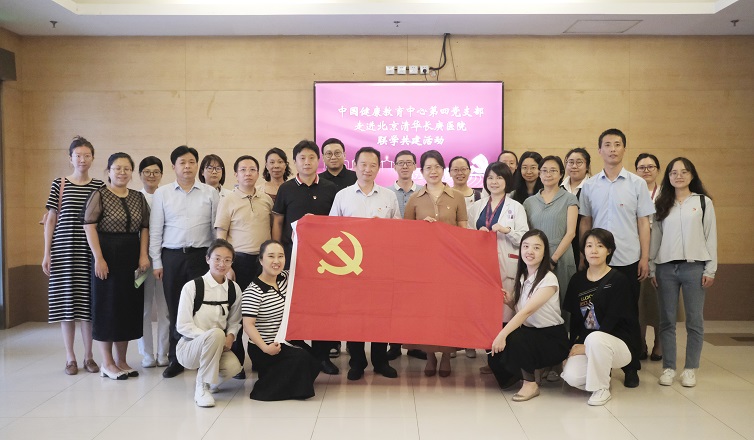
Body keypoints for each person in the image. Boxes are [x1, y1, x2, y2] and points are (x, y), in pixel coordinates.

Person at [579, 128, 655, 388]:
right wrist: (583, 256)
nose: (612, 149)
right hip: (598, 262)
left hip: (628, 259)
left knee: (629, 314)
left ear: (624, 149)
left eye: (617, 144)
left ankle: (631, 367)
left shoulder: (637, 184)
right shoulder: (590, 185)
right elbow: (586, 222)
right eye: (607, 144)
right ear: (599, 150)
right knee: (597, 313)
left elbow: (643, 223)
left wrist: (645, 257)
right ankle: (603, 365)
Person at [329, 146, 401, 380]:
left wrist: (385, 227)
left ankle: (380, 361)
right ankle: (357, 362)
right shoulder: (343, 195)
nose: (368, 169)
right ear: (354, 166)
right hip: (351, 265)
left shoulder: (389, 196)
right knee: (355, 314)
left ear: (379, 168)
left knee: (381, 313)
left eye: (373, 165)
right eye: (363, 164)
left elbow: (398, 228)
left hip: (381, 265)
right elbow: (331, 229)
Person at [150, 145, 220, 379]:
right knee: (175, 308)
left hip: (202, 257)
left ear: (197, 165)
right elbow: (156, 230)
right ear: (174, 166)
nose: (187, 167)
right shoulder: (163, 193)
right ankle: (176, 358)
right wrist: (157, 262)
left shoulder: (210, 193)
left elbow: (215, 229)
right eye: (182, 162)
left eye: (191, 162)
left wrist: (216, 260)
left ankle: (201, 356)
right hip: (172, 257)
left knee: (202, 308)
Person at [272, 140, 340, 375]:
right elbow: (278, 221)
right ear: (295, 162)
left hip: (325, 260)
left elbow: (337, 222)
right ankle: (301, 354)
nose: (307, 162)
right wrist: (277, 251)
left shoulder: (330, 188)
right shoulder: (286, 189)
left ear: (318, 160)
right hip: (294, 257)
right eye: (302, 158)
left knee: (323, 307)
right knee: (295, 306)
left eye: (312, 157)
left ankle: (322, 356)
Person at [83, 152, 151, 380]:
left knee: (127, 307)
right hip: (107, 256)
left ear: (132, 172)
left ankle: (122, 360)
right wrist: (99, 258)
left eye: (126, 169)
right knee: (107, 308)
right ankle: (107, 362)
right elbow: (89, 226)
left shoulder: (138, 197)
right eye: (117, 168)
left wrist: (143, 255)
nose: (122, 172)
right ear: (109, 171)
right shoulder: (99, 195)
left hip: (132, 256)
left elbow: (144, 228)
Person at [650, 157, 717, 388]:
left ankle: (690, 369)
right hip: (666, 268)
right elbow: (656, 238)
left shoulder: (703, 202)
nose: (678, 176)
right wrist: (652, 267)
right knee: (667, 320)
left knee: (694, 321)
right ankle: (669, 367)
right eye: (673, 172)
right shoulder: (662, 203)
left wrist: (711, 269)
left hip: (694, 267)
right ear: (668, 176)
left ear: (692, 175)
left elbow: (710, 237)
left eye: (684, 171)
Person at [43, 136, 103, 375]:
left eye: (87, 155)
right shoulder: (59, 184)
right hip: (63, 251)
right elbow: (51, 220)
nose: (82, 160)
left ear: (93, 158)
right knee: (66, 306)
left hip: (89, 253)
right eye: (78, 155)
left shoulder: (98, 186)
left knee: (88, 307)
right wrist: (46, 253)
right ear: (70, 158)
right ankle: (70, 358)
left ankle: (89, 356)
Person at [404, 150, 468, 377]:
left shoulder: (457, 197)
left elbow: (464, 232)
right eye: (428, 167)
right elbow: (406, 234)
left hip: (451, 265)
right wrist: (422, 228)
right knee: (427, 312)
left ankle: (447, 356)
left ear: (443, 170)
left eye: (437, 167)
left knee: (448, 311)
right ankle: (430, 356)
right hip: (424, 266)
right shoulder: (414, 199)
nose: (433, 171)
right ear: (421, 171)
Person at [561, 228, 642, 406]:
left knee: (596, 338)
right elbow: (575, 319)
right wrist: (571, 349)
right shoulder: (577, 280)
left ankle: (602, 389)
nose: (594, 250)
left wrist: (586, 347)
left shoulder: (619, 280)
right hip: (589, 343)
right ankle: (601, 374)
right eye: (589, 246)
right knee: (571, 377)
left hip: (619, 345)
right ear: (583, 250)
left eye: (600, 246)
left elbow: (613, 319)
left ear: (609, 250)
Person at [488, 230, 570, 401]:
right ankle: (530, 371)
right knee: (496, 359)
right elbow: (522, 309)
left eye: (536, 247)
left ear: (544, 252)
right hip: (532, 334)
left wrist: (502, 335)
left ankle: (530, 383)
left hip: (552, 338)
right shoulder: (523, 276)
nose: (529, 251)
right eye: (525, 246)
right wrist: (510, 302)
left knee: (513, 337)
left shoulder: (548, 279)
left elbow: (527, 312)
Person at [215, 154, 273, 378]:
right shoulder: (228, 199)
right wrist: (226, 264)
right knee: (237, 311)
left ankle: (260, 358)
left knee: (263, 312)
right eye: (243, 170)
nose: (248, 173)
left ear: (258, 173)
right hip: (238, 261)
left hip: (262, 263)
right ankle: (237, 361)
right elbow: (221, 235)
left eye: (252, 169)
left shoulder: (266, 199)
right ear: (236, 174)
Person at [242, 240, 320, 401]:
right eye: (271, 256)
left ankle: (278, 376)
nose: (276, 261)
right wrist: (266, 348)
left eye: (281, 256)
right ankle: (265, 387)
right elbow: (248, 325)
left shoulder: (285, 277)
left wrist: (301, 238)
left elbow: (308, 264)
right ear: (261, 260)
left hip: (284, 341)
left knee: (315, 359)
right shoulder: (253, 291)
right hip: (264, 347)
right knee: (302, 359)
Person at [467, 162, 528, 360]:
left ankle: (505, 359)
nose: (494, 182)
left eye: (499, 178)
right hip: (481, 265)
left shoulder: (516, 207)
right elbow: (466, 235)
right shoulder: (476, 206)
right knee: (484, 311)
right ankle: (490, 358)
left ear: (507, 181)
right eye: (490, 178)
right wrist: (477, 234)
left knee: (505, 311)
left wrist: (506, 230)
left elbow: (524, 237)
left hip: (505, 264)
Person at [175, 239, 243, 407]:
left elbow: (235, 321)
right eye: (217, 259)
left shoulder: (234, 289)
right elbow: (182, 325)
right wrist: (211, 338)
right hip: (189, 348)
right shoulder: (192, 287)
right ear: (207, 259)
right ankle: (202, 387)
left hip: (219, 347)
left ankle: (209, 379)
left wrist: (231, 336)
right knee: (216, 333)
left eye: (227, 260)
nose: (222, 264)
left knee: (234, 367)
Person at [523, 156, 578, 317]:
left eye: (553, 170)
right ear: (539, 174)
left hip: (561, 256)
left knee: (563, 302)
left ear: (561, 174)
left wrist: (553, 259)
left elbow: (571, 233)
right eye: (544, 170)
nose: (548, 174)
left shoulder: (569, 199)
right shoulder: (529, 202)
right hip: (535, 257)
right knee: (536, 303)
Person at [385, 150, 426, 361]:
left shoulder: (423, 192)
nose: (404, 166)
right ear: (394, 166)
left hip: (418, 255)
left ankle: (413, 344)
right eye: (400, 163)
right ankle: (394, 344)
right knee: (394, 300)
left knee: (414, 300)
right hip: (392, 254)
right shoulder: (385, 193)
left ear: (415, 166)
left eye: (409, 163)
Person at [137, 156, 170, 368]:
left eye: (156, 171)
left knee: (165, 309)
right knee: (144, 309)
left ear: (161, 174)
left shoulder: (166, 195)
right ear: (140, 174)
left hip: (164, 258)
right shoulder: (135, 197)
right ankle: (147, 354)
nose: (151, 175)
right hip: (141, 261)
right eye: (147, 172)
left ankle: (163, 353)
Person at [635, 153, 663, 361]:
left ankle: (659, 344)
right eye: (641, 167)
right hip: (637, 250)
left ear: (658, 170)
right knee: (640, 302)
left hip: (662, 251)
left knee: (661, 301)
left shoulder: (665, 194)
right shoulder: (633, 192)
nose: (646, 170)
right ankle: (641, 343)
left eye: (650, 167)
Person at [561, 147, 591, 263]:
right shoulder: (559, 188)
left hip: (585, 243)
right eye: (570, 162)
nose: (574, 166)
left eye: (579, 162)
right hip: (562, 243)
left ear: (587, 166)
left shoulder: (593, 187)